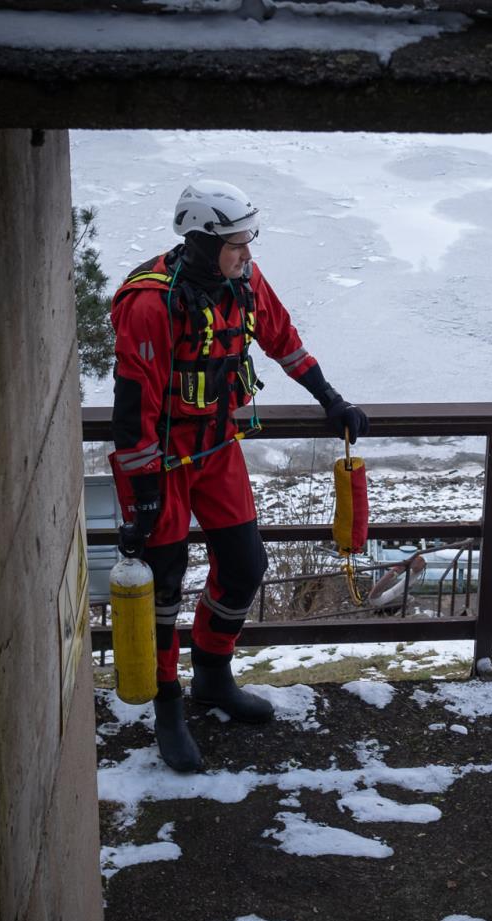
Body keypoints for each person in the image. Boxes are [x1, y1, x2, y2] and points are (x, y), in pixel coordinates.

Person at [109, 179, 369, 773]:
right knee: (165, 586)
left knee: (247, 564)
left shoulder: (244, 284)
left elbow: (284, 341)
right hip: (161, 462)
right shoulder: (149, 304)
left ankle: (212, 674)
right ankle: (167, 704)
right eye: (234, 243)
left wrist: (331, 400)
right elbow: (134, 409)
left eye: (249, 240)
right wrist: (145, 497)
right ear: (201, 243)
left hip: (217, 449)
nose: (247, 253)